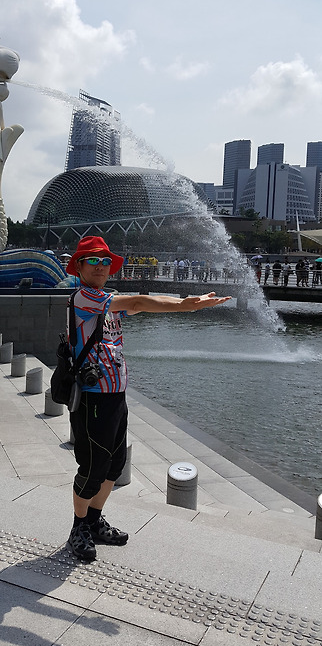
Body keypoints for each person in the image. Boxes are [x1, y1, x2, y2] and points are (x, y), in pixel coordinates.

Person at [64, 235, 231, 562]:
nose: (101, 266)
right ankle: (78, 527)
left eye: (105, 261)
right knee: (93, 467)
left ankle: (94, 521)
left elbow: (138, 304)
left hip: (116, 395)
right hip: (93, 398)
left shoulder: (108, 302)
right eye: (93, 260)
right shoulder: (84, 298)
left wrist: (182, 302)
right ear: (79, 267)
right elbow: (139, 302)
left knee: (114, 464)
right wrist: (185, 305)